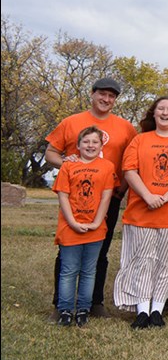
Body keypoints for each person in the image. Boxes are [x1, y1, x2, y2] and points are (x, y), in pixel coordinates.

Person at [45, 77, 137, 319]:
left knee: (101, 250)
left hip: (108, 195)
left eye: (112, 96)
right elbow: (50, 153)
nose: (106, 100)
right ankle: (60, 304)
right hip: (75, 198)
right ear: (93, 94)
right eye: (102, 94)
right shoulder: (72, 122)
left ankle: (94, 302)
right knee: (67, 250)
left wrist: (123, 188)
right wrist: (66, 161)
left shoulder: (125, 127)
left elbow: (131, 162)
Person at [113, 96, 168, 329]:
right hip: (141, 212)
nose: (166, 113)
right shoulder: (139, 140)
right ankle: (141, 309)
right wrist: (148, 196)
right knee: (142, 260)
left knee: (166, 262)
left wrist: (165, 198)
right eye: (161, 109)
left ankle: (157, 309)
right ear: (154, 113)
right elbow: (129, 170)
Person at [52, 126, 117, 327]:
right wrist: (72, 221)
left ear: (101, 145)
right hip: (70, 226)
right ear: (78, 145)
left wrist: (97, 222)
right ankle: (64, 309)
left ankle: (83, 308)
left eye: (95, 142)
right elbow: (63, 194)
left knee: (89, 270)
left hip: (95, 228)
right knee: (69, 270)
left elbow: (107, 196)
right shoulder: (68, 166)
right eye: (86, 142)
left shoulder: (107, 166)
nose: (90, 145)